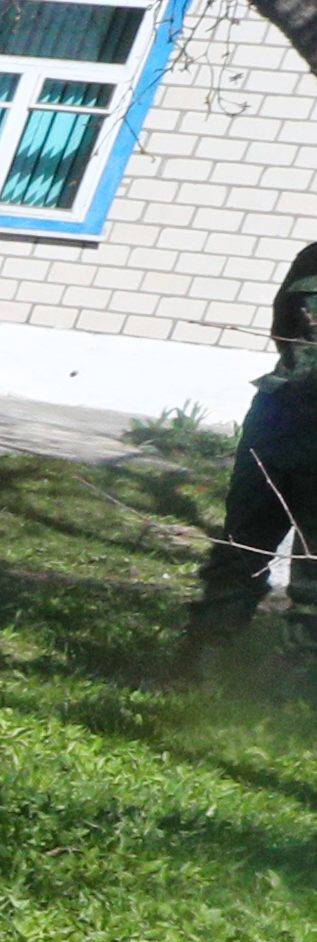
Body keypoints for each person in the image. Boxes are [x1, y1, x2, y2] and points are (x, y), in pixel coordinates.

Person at [189, 239, 317, 665]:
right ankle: (205, 663)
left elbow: (284, 327)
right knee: (244, 547)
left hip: (280, 416)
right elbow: (285, 331)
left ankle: (287, 690)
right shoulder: (312, 257)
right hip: (280, 423)